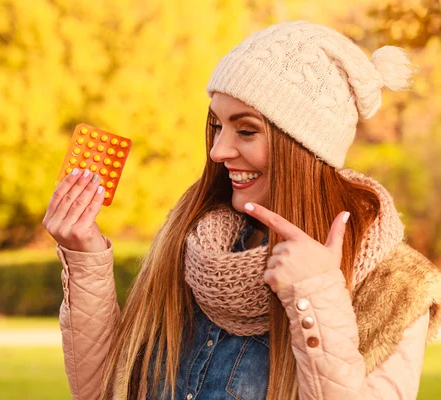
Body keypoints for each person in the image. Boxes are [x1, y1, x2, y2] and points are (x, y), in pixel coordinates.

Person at [42, 20, 441, 400]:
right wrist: (85, 258)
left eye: (245, 130)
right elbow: (104, 391)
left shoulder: (397, 289)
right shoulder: (191, 241)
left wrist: (316, 295)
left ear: (304, 147)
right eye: (217, 125)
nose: (218, 151)